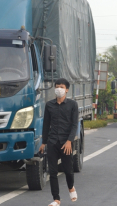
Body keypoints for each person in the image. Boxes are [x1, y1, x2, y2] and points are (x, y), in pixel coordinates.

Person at [39, 78, 78, 206]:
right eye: (57, 86)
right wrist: (44, 142)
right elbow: (46, 125)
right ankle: (56, 199)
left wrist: (69, 141)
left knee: (68, 170)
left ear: (66, 89)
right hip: (52, 142)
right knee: (53, 171)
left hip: (66, 142)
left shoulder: (72, 105)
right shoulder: (49, 105)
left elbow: (74, 125)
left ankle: (71, 187)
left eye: (61, 87)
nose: (59, 89)